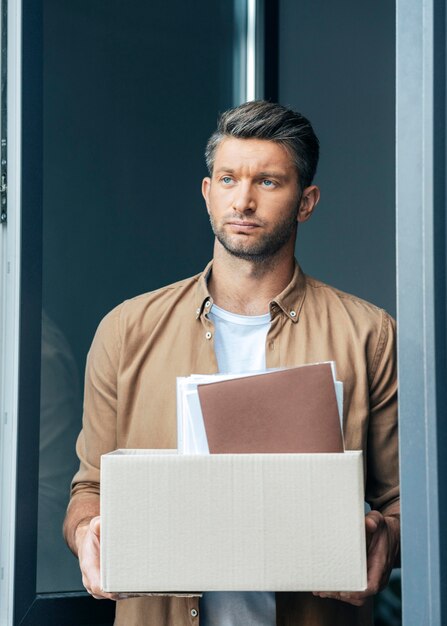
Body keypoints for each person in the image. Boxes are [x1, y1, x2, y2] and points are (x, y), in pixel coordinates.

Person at [63, 100, 400, 626]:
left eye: (267, 182)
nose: (242, 200)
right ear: (207, 192)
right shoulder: (126, 330)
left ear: (306, 202)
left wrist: (385, 540)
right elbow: (90, 491)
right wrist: (88, 534)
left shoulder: (369, 335)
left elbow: (406, 504)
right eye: (227, 179)